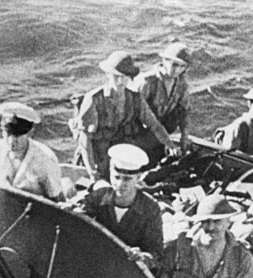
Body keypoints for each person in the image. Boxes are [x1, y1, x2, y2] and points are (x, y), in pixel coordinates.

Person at [71, 50, 178, 180]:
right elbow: (85, 140)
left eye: (125, 77)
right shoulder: (94, 99)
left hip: (121, 151)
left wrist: (169, 144)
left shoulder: (135, 98)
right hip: (97, 155)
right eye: (116, 76)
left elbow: (154, 125)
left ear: (130, 77)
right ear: (108, 75)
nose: (120, 81)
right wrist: (92, 172)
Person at [79, 143, 163, 269]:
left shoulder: (150, 209)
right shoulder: (99, 197)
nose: (120, 184)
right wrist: (73, 211)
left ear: (138, 178)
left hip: (127, 272)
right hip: (95, 263)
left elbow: (157, 254)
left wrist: (143, 257)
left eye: (127, 179)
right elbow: (80, 218)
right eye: (116, 177)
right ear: (110, 173)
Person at [0, 102, 64, 201]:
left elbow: (56, 197)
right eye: (7, 133)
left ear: (30, 133)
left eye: (17, 136)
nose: (11, 141)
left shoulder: (45, 159)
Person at [133, 42, 192, 164]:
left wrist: (184, 136)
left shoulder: (182, 84)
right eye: (174, 64)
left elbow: (184, 112)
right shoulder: (147, 82)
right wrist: (168, 143)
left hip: (160, 133)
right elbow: (133, 114)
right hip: (138, 133)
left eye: (182, 66)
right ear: (164, 60)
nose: (177, 69)